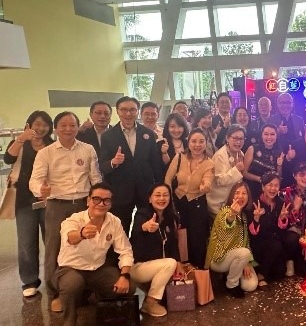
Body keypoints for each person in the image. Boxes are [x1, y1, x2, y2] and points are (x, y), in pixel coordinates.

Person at [30, 111, 102, 313]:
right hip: (57, 205)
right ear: (55, 129)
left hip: (83, 204)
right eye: (63, 125)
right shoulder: (46, 153)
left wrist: (98, 200)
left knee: (87, 245)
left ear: (78, 127)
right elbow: (34, 180)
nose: (68, 129)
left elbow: (95, 177)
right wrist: (40, 190)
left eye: (72, 125)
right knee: (54, 247)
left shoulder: (87, 149)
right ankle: (56, 293)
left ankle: (85, 290)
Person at [55, 183, 134, 326]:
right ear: (88, 201)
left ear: (110, 203)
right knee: (72, 284)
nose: (101, 204)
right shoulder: (74, 220)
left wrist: (124, 276)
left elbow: (125, 250)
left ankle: (97, 296)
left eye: (106, 200)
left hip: (98, 269)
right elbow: (70, 237)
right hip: (71, 268)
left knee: (129, 287)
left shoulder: (114, 221)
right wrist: (82, 234)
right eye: (96, 199)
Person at [4, 111, 54, 297]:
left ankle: (54, 278)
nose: (41, 128)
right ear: (29, 125)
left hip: (48, 199)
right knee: (26, 242)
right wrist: (21, 139)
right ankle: (29, 281)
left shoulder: (52, 145)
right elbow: (8, 159)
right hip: (24, 200)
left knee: (51, 241)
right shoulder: (20, 143)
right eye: (37, 124)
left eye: (45, 125)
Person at [99, 96, 163, 233]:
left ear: (137, 111)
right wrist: (113, 162)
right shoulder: (108, 136)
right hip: (120, 192)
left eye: (132, 110)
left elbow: (155, 163)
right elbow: (103, 166)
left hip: (145, 190)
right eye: (124, 110)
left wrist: (159, 186)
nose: (128, 114)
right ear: (117, 111)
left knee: (147, 227)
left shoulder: (148, 133)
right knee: (120, 230)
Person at [165, 128, 215, 268]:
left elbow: (208, 181)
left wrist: (205, 186)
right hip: (178, 202)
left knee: (197, 240)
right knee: (179, 237)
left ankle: (197, 271)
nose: (197, 145)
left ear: (206, 143)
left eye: (201, 141)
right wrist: (168, 199)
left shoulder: (209, 163)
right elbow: (168, 179)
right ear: (188, 142)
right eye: (194, 141)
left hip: (197, 204)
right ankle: (181, 271)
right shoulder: (179, 157)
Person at [130, 183, 181, 317]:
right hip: (137, 267)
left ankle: (148, 294)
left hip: (156, 266)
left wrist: (179, 263)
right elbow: (136, 231)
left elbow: (173, 244)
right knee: (169, 263)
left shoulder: (170, 217)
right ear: (149, 198)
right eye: (157, 195)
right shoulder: (142, 214)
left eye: (165, 195)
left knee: (173, 265)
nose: (161, 198)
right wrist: (145, 227)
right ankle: (150, 302)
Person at [206, 182, 258, 298]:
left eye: (244, 193)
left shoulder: (244, 216)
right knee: (244, 253)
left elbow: (246, 241)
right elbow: (226, 227)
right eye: (237, 193)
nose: (240, 196)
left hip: (238, 258)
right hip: (219, 259)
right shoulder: (225, 211)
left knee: (250, 285)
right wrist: (232, 215)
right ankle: (232, 284)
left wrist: (247, 262)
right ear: (232, 196)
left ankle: (231, 273)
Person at [279, 163, 306, 276]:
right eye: (301, 174)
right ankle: (289, 259)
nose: (305, 177)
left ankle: (299, 260)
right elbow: (285, 222)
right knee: (292, 239)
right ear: (294, 176)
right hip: (291, 232)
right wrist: (296, 208)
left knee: (305, 271)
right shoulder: (285, 193)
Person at [247, 173, 287, 286]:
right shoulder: (255, 204)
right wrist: (256, 219)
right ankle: (262, 274)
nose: (273, 188)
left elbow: (281, 230)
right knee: (275, 246)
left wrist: (282, 219)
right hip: (258, 243)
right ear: (263, 186)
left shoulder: (280, 203)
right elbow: (252, 233)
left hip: (274, 243)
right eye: (270, 185)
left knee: (280, 274)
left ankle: (263, 269)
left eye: (276, 185)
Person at [207, 124, 246, 219]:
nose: (238, 142)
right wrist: (236, 169)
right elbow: (219, 181)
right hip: (219, 204)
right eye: (235, 138)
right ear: (227, 138)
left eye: (241, 139)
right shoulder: (220, 155)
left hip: (233, 202)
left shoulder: (240, 153)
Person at [243, 123, 283, 201]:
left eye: (272, 134)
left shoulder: (279, 152)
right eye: (266, 134)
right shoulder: (253, 148)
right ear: (261, 135)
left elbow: (278, 177)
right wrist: (260, 179)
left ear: (276, 136)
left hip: (269, 192)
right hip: (251, 188)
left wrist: (279, 165)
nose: (269, 137)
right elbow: (244, 173)